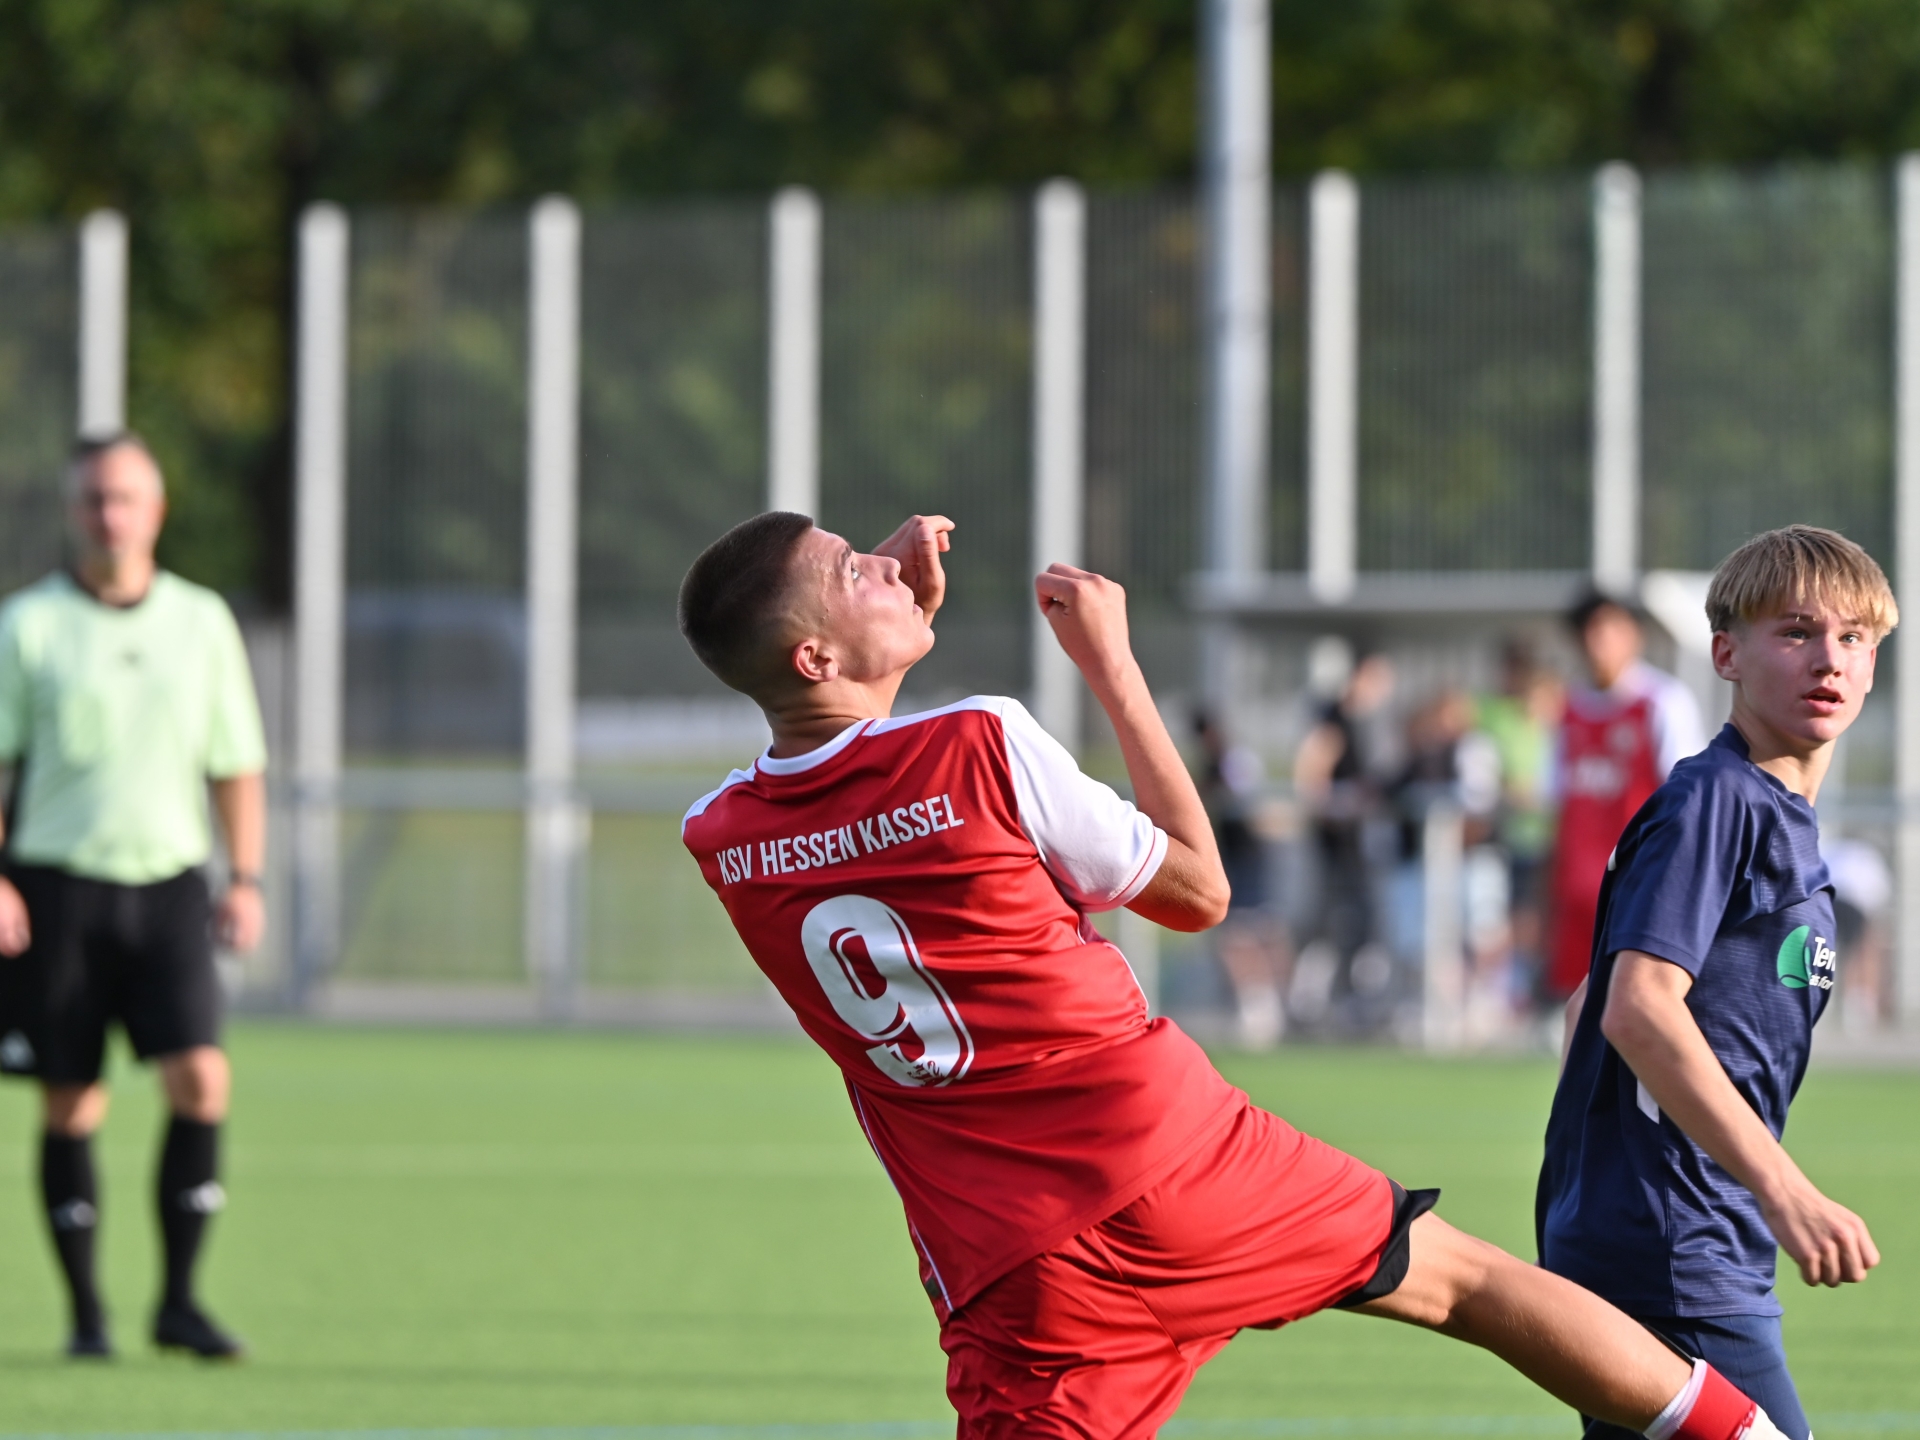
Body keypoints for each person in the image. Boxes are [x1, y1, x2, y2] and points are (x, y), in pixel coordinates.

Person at [677, 509, 1787, 1440]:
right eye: (852, 570)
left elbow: (837, 763)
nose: (881, 565)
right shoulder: (979, 740)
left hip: (1017, 1262)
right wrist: (1113, 668)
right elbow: (1199, 892)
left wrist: (867, 611)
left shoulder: (720, 836)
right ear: (815, 656)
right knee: (1469, 1286)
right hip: (1177, 1158)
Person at [1539, 526, 1891, 1440]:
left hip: (1672, 1237)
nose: (1829, 658)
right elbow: (1635, 1006)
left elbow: (1587, 1004)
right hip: (1675, 1252)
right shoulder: (1718, 799)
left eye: (1854, 637)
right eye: (1797, 632)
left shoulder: (1780, 819)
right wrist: (1783, 1191)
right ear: (1726, 655)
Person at [0, 434, 266, 1360]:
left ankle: (179, 1301)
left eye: (125, 498)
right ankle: (86, 1316)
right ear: (72, 512)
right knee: (72, 1102)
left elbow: (236, 761)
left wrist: (246, 878)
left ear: (155, 510)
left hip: (168, 887)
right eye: (94, 500)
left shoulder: (200, 621)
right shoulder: (28, 624)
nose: (110, 515)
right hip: (56, 889)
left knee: (201, 1077)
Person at [1544, 592, 1705, 1003]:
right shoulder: (1568, 709)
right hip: (1580, 883)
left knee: (1638, 998)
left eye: (1612, 629)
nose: (1600, 641)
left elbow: (1688, 794)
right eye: (1590, 631)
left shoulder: (1662, 702)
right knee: (1579, 1001)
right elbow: (1556, 797)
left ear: (1634, 636)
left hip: (1640, 878)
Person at [1192, 711, 1291, 1047]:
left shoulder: (1236, 761)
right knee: (1238, 935)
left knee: (1256, 932)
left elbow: (1249, 803)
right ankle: (1257, 1002)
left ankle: (1269, 1001)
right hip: (1231, 860)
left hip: (1250, 860)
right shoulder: (1211, 764)